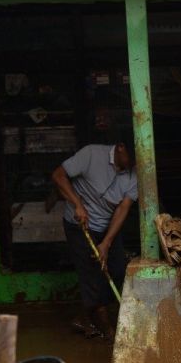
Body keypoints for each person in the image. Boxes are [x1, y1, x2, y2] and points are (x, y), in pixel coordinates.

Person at [51, 134, 137, 339]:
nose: (133, 165)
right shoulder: (91, 154)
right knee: (91, 273)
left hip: (108, 227)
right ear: (121, 147)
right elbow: (58, 175)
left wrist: (106, 242)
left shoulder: (135, 173)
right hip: (80, 225)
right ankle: (105, 324)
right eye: (131, 159)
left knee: (116, 270)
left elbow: (123, 208)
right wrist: (77, 204)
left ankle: (83, 317)